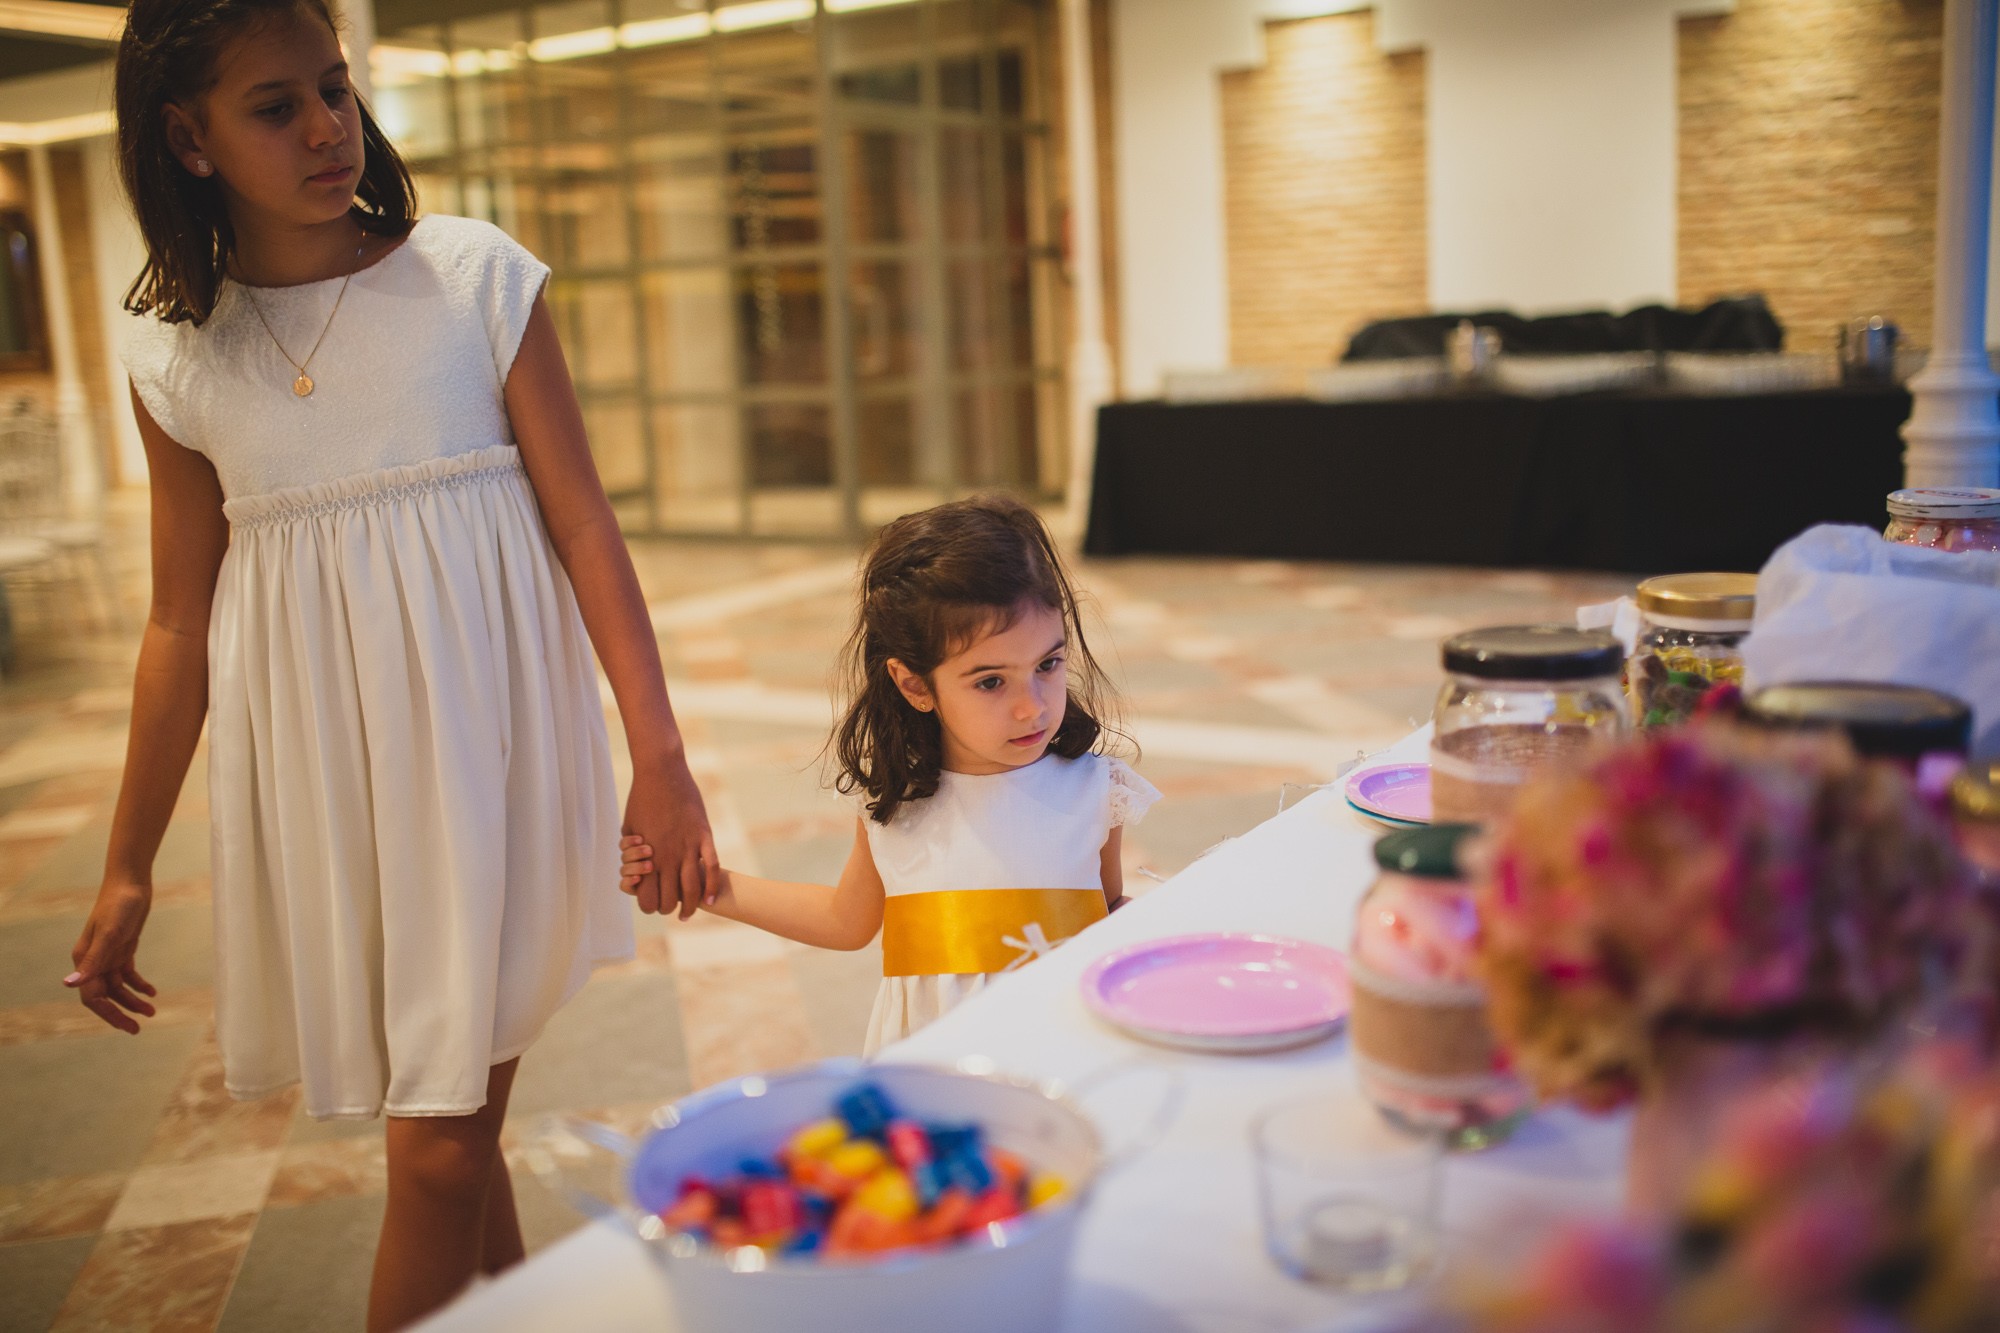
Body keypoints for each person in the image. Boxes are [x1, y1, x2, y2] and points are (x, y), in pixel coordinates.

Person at [65, 0, 718, 1325]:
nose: (326, 128)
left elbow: (585, 524)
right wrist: (128, 860)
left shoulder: (471, 278)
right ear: (187, 140)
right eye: (275, 107)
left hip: (494, 759)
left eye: (333, 88)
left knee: (434, 1142)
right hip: (335, 794)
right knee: (452, 1136)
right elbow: (179, 620)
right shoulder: (178, 358)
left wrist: (662, 759)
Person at [621, 496, 1159, 1053]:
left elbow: (1106, 910)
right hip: (932, 1059)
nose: (1034, 707)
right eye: (991, 682)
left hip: (1063, 1046)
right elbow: (843, 922)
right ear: (914, 685)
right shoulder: (898, 803)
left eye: (1047, 665)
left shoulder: (1095, 789)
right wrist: (708, 885)